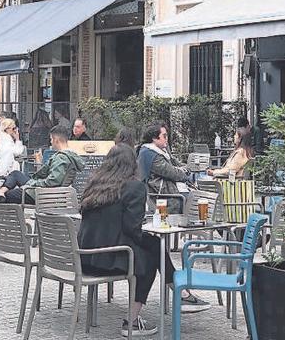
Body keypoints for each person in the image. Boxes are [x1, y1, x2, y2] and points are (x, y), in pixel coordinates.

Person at [78, 144, 210, 337]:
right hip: (111, 259)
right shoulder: (134, 187)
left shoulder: (93, 186)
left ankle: (181, 293)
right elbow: (132, 229)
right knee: (151, 254)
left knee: (154, 245)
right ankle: (134, 320)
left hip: (85, 259)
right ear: (132, 164)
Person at [0, 125, 83, 204]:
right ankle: (0, 192)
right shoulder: (69, 155)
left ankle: (0, 197)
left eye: (51, 139)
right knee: (16, 174)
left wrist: (33, 183)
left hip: (43, 194)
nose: (50, 142)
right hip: (46, 191)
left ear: (56, 140)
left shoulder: (61, 158)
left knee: (8, 195)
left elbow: (52, 181)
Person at [138, 123, 189, 214]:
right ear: (154, 138)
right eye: (164, 136)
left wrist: (186, 168)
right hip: (162, 198)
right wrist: (186, 172)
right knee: (195, 200)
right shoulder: (150, 154)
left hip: (169, 193)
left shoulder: (161, 150)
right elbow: (173, 173)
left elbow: (175, 162)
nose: (167, 139)